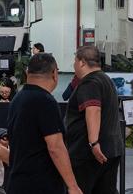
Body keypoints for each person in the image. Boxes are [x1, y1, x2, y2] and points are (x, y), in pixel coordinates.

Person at [7, 53, 81, 194]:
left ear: (27, 72)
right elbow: (55, 147)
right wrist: (72, 186)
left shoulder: (18, 98)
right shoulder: (45, 101)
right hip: (40, 184)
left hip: (17, 180)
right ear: (54, 73)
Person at [65, 46, 123, 194]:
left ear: (82, 62)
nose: (74, 65)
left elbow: (93, 110)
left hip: (89, 154)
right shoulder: (106, 79)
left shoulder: (89, 83)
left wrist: (94, 143)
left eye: (75, 61)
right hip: (111, 149)